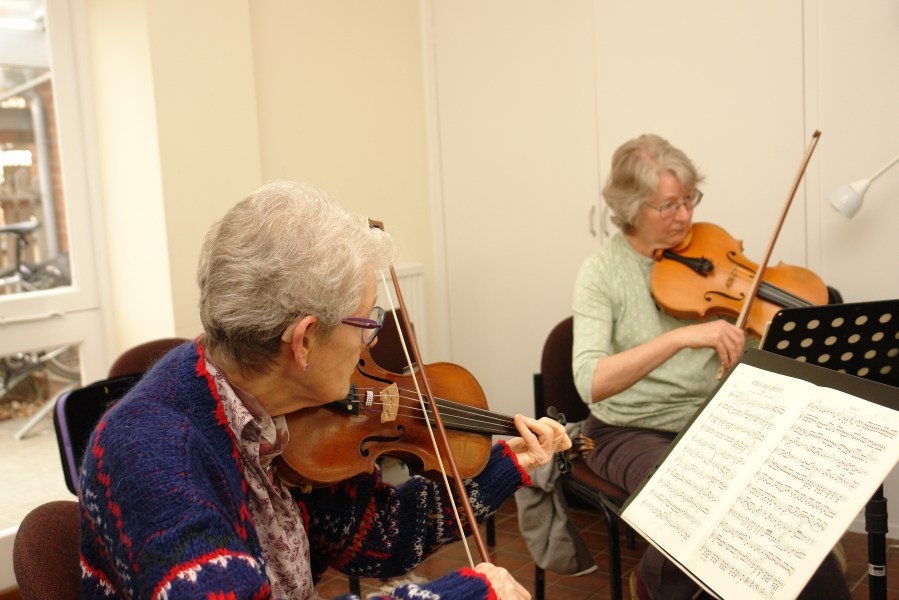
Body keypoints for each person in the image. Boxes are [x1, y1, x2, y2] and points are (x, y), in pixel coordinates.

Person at [78, 180, 571, 600]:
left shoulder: (286, 415)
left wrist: (507, 466)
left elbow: (378, 537)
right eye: (366, 322)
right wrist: (467, 593)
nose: (369, 343)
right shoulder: (152, 453)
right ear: (305, 341)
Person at [571, 134, 850, 599]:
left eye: (689, 200)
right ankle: (655, 584)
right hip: (626, 428)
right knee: (694, 498)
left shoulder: (709, 254)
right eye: (668, 206)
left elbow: (755, 342)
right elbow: (590, 381)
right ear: (631, 209)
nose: (685, 216)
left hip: (713, 422)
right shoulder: (601, 273)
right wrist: (679, 337)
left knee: (787, 504)